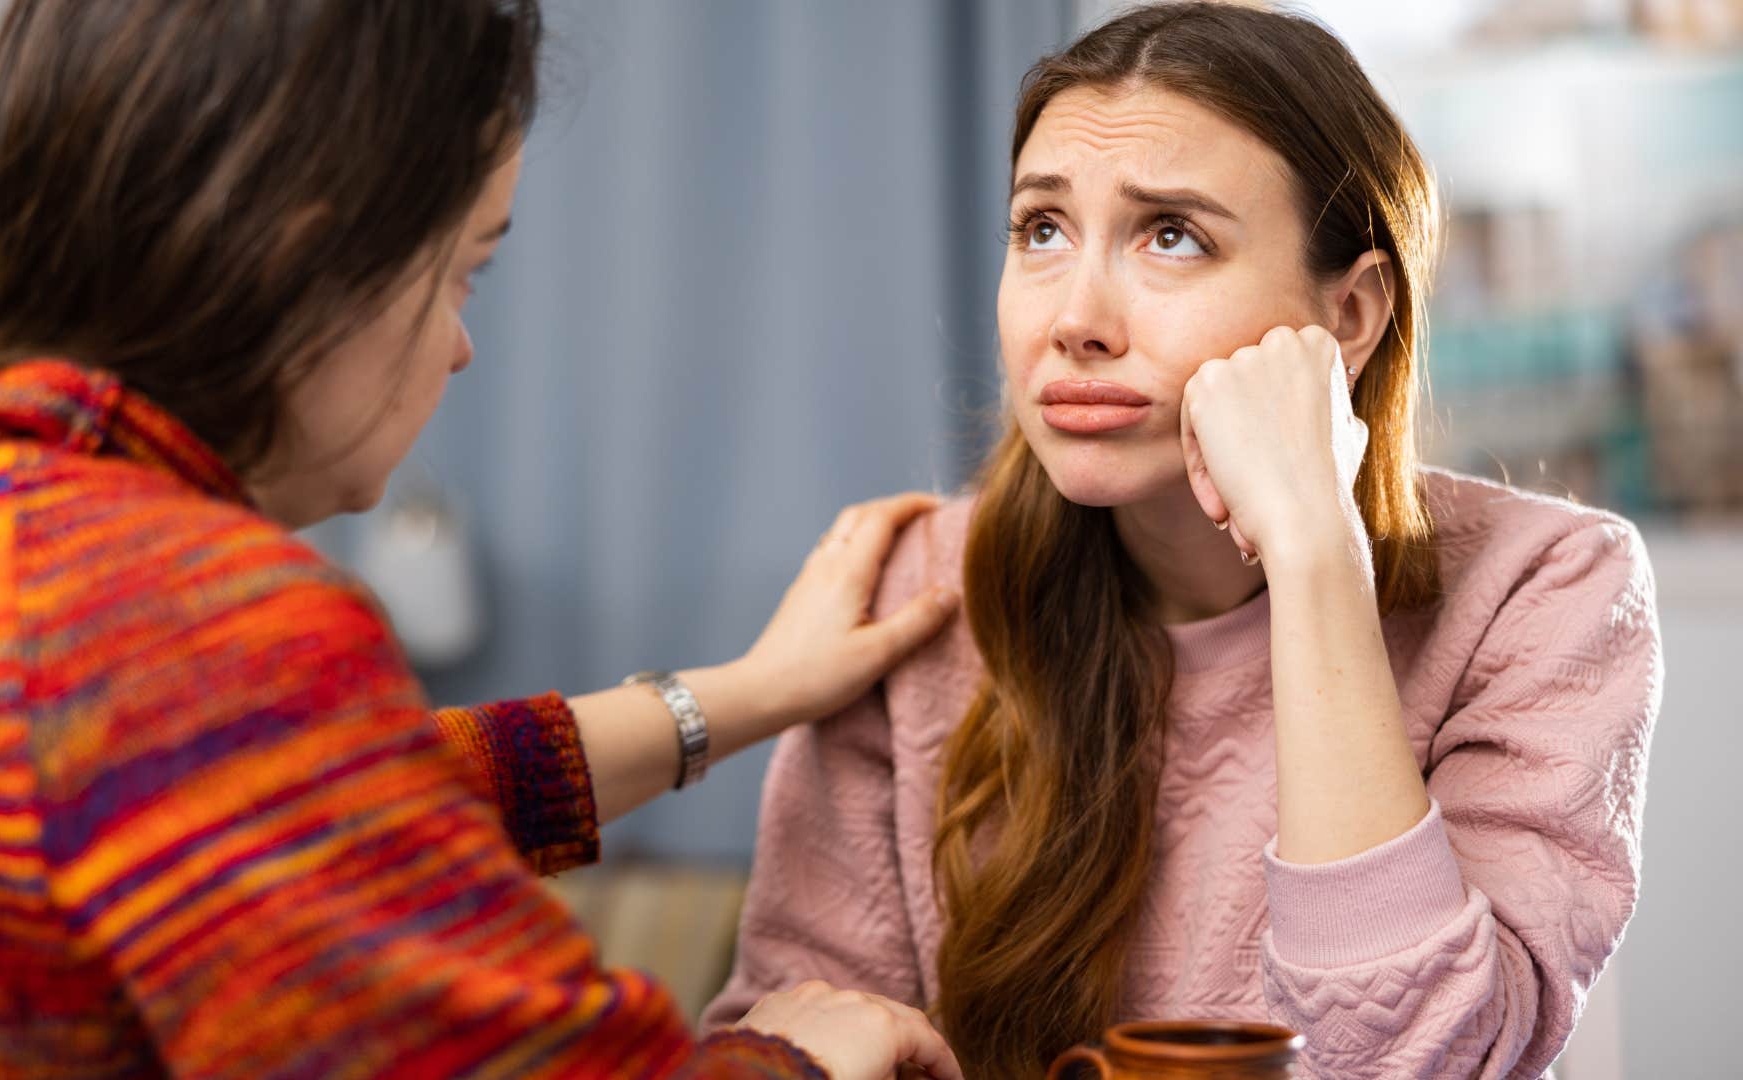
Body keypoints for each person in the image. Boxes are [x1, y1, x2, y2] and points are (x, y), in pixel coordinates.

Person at [0, 2, 967, 1078]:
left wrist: (751, 692)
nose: (463, 347)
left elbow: (351, 788)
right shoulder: (170, 617)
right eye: (466, 268)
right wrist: (793, 1056)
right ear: (309, 257)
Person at [704, 5, 1662, 1078]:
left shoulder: (1543, 590)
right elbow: (791, 1040)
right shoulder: (915, 591)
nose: (1075, 317)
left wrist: (1312, 555)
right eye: (1042, 229)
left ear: (1350, 314)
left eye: (1172, 236)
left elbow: (1425, 1059)